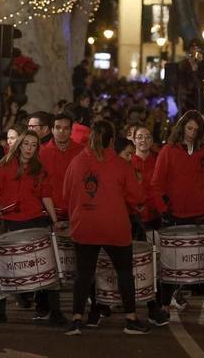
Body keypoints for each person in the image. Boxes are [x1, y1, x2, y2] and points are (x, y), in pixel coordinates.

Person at [62, 120, 150, 335]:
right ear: (111, 140)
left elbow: (65, 195)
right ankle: (130, 318)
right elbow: (137, 197)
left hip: (84, 223)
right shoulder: (121, 164)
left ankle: (76, 319)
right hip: (114, 225)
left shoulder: (76, 162)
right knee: (124, 272)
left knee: (84, 274)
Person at [0, 130, 65, 325]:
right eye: (26, 144)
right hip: (11, 223)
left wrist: (54, 220)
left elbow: (46, 195)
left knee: (47, 268)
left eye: (33, 145)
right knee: (5, 268)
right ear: (19, 145)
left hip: (36, 222)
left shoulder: (40, 169)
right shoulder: (5, 165)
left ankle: (54, 312)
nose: (29, 148)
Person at [149, 110, 204, 324]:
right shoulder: (168, 151)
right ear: (182, 128)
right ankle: (163, 306)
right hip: (175, 216)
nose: (192, 133)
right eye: (189, 128)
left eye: (196, 130)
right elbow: (156, 184)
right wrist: (163, 209)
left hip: (199, 215)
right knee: (171, 265)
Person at [38, 112, 84, 223]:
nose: (61, 132)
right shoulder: (42, 153)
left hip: (79, 212)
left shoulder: (82, 152)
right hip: (49, 212)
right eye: (58, 128)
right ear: (52, 130)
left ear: (71, 131)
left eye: (66, 128)